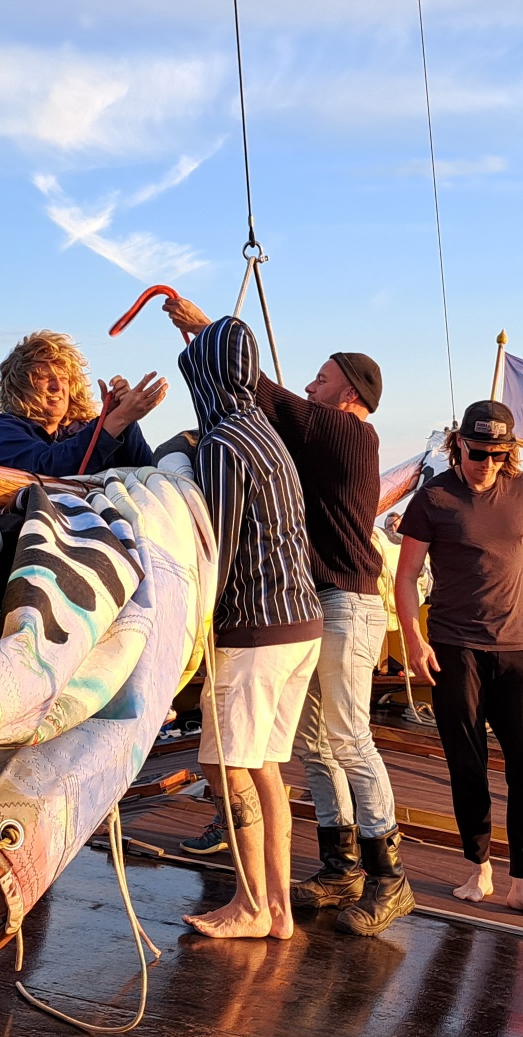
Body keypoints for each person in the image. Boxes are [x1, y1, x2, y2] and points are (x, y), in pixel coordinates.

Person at [162, 297, 408, 935]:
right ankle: (338, 867)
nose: (309, 387)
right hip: (310, 607)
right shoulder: (289, 444)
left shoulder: (349, 433)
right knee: (312, 747)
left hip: (339, 603)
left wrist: (208, 332)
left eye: (321, 379)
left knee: (346, 739)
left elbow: (261, 393)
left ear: (350, 395)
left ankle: (389, 877)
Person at [395, 400, 523, 921]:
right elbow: (406, 576)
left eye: (498, 455)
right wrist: (413, 639)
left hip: (519, 648)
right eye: (478, 453)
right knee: (467, 765)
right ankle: (479, 868)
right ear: (459, 446)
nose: (487, 464)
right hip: (455, 648)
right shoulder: (433, 498)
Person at [176, 315, 324, 941]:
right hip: (302, 623)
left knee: (228, 768)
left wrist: (191, 633)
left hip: (255, 630)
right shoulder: (266, 433)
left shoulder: (223, 444)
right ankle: (278, 909)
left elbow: (219, 546)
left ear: (206, 379)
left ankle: (250, 904)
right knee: (264, 767)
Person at [0, 329, 167, 475]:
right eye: (45, 377)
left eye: (64, 379)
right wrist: (118, 419)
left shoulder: (80, 431)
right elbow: (47, 467)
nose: (57, 386)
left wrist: (123, 421)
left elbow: (145, 469)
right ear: (19, 387)